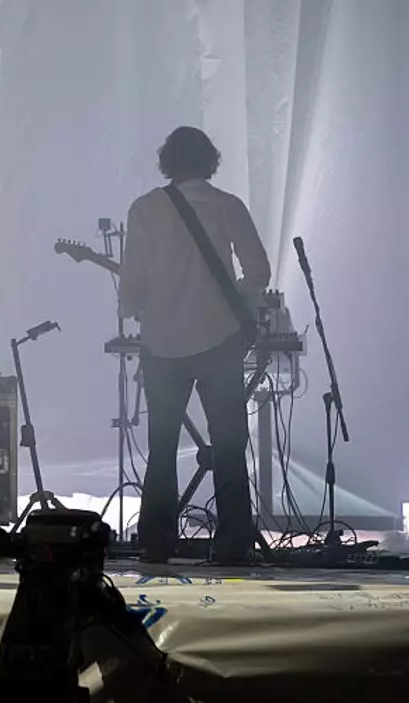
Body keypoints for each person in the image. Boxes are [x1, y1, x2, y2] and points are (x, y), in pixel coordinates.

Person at [120, 127, 271, 564]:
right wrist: (230, 298)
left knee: (162, 444)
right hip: (220, 340)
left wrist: (143, 304)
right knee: (228, 443)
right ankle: (233, 544)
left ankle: (156, 541)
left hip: (163, 343)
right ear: (210, 161)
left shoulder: (145, 209)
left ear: (168, 162)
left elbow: (132, 286)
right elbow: (258, 271)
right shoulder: (228, 206)